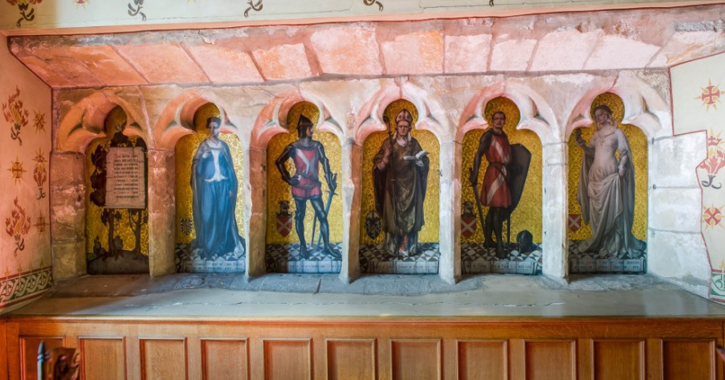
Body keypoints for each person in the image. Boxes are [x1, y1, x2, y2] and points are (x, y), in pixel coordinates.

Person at [575, 105, 645, 258]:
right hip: (595, 175)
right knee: (597, 211)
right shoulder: (596, 135)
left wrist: (621, 167)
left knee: (614, 208)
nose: (598, 118)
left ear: (608, 115)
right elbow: (591, 153)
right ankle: (600, 241)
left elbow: (625, 152)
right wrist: (582, 145)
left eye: (600, 114)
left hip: (611, 175)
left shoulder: (617, 132)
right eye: (596, 115)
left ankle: (615, 242)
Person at [275, 115, 339, 259]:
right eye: (310, 128)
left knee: (322, 214)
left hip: (314, 185)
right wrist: (289, 179)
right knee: (300, 215)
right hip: (299, 186)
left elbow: (325, 161)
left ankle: (327, 245)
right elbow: (279, 161)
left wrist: (329, 181)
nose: (312, 130)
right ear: (304, 130)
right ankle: (303, 246)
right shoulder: (293, 147)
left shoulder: (317, 146)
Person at [373, 109, 429, 257]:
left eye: (406, 126)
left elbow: (424, 161)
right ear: (397, 127)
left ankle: (407, 244)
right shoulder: (388, 143)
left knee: (410, 214)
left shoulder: (413, 144)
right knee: (392, 215)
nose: (403, 129)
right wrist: (386, 157)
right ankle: (392, 245)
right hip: (392, 186)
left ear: (410, 128)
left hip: (411, 185)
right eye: (401, 126)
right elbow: (378, 166)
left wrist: (420, 163)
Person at [191, 116, 245, 259]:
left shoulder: (223, 146)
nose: (212, 130)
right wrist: (202, 158)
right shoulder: (203, 145)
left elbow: (230, 168)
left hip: (223, 185)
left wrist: (231, 188)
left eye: (215, 127)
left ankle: (222, 246)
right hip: (208, 186)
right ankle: (209, 246)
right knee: (208, 215)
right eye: (210, 127)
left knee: (223, 215)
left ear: (219, 129)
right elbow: (196, 167)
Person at [469, 111, 517, 258]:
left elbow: (506, 156)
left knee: (494, 210)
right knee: (496, 210)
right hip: (494, 174)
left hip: (503, 173)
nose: (499, 121)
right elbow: (479, 154)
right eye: (496, 118)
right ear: (492, 121)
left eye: (502, 118)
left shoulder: (504, 136)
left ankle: (488, 240)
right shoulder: (488, 136)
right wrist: (475, 174)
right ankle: (499, 246)